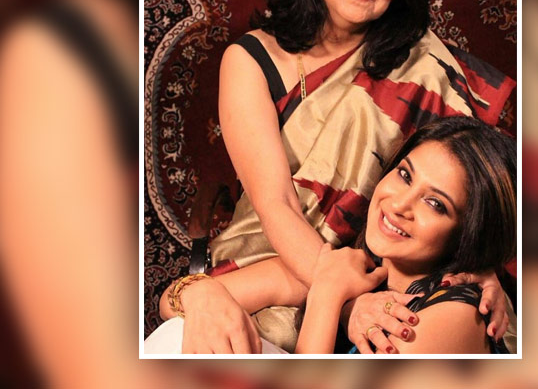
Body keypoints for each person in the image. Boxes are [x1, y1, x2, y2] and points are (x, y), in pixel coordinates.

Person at [158, 0, 516, 353]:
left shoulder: (421, 64)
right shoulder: (251, 59)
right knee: (180, 336)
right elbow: (278, 205)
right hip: (278, 269)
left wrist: (483, 268)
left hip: (375, 279)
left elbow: (472, 183)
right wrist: (348, 300)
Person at [151, 117, 516, 354]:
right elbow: (169, 303)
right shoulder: (347, 267)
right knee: (179, 335)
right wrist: (204, 295)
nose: (399, 204)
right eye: (405, 175)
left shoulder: (455, 315)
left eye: (435, 204)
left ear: (468, 233)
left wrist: (327, 295)